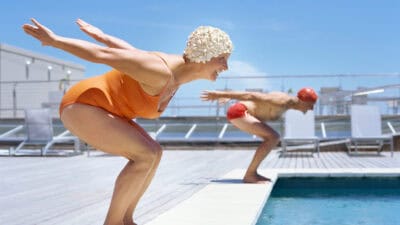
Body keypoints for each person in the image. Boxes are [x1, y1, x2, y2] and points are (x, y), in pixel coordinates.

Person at [23, 18, 233, 225]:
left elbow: (130, 52)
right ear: (205, 54)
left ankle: (126, 220)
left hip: (103, 108)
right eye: (222, 58)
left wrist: (103, 36)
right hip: (82, 105)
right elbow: (102, 55)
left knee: (154, 153)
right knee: (145, 154)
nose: (226, 66)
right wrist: (54, 40)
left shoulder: (171, 74)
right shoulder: (159, 71)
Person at [201, 88, 318, 183]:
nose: (311, 109)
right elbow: (251, 95)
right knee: (273, 137)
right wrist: (220, 94)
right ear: (302, 101)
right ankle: (250, 175)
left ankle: (252, 173)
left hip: (241, 113)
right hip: (239, 111)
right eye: (310, 105)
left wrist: (230, 95)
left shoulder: (287, 104)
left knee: (272, 137)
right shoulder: (282, 100)